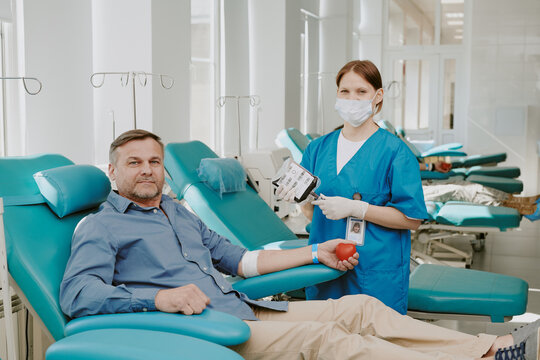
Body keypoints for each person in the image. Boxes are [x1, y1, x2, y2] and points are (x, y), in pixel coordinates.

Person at [60, 129, 538, 360]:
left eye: (154, 161)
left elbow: (241, 260)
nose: (147, 169)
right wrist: (159, 297)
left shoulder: (177, 210)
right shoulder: (101, 226)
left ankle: (485, 347)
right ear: (113, 172)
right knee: (327, 339)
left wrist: (313, 252)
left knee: (364, 309)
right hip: (199, 330)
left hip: (240, 306)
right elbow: (77, 296)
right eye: (134, 162)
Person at [277, 60, 428, 314]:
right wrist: (301, 199)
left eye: (361, 92)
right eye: (344, 91)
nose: (351, 99)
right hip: (327, 268)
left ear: (377, 96)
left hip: (375, 271)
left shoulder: (395, 152)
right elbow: (312, 215)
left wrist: (358, 208)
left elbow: (411, 219)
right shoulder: (317, 149)